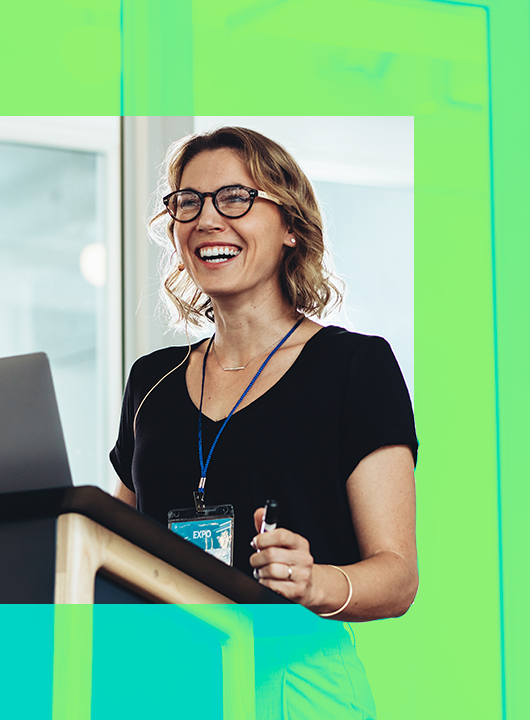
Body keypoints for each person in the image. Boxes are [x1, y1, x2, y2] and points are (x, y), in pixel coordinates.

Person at [109, 127, 417, 715]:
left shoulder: (355, 366)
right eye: (187, 202)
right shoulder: (152, 381)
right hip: (166, 687)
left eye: (235, 198)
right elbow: (113, 547)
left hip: (294, 684)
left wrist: (313, 582)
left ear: (291, 225)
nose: (206, 220)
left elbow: (398, 578)